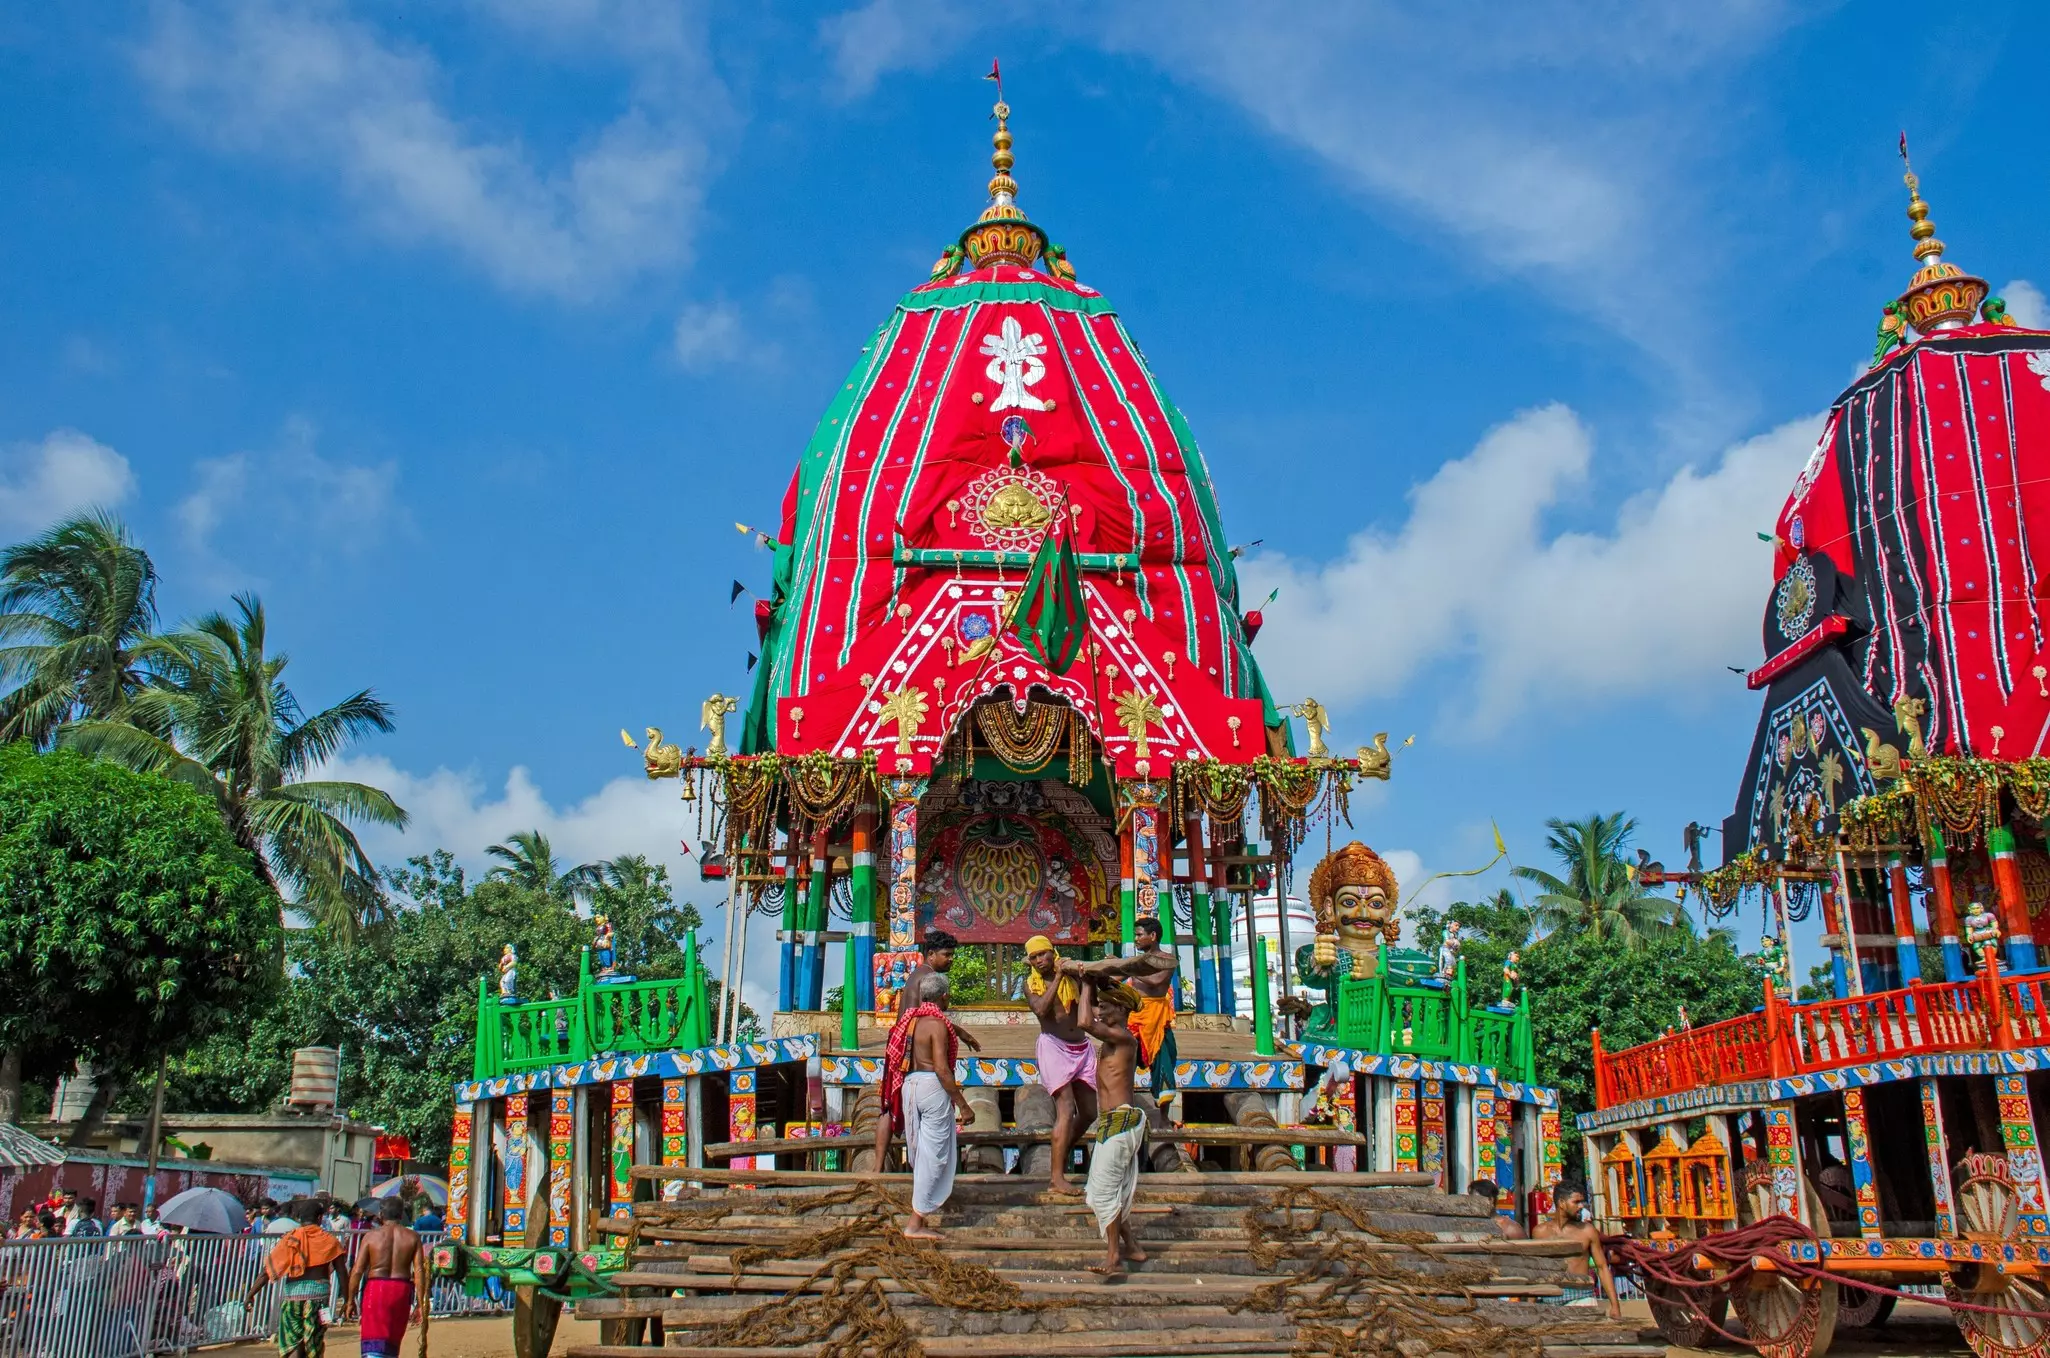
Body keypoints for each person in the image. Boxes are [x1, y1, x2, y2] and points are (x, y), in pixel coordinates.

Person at [870, 930, 980, 1172]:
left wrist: (960, 1032)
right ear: (931, 954)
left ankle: (878, 1169)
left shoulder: (918, 974)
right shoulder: (929, 977)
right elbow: (928, 1018)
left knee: (890, 1103)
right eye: (947, 954)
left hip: (899, 1041)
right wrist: (960, 1033)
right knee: (894, 1105)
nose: (951, 959)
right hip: (907, 1046)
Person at [889, 972, 973, 1239]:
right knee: (935, 1156)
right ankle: (915, 1223)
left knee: (920, 1151)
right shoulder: (937, 1025)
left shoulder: (911, 1020)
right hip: (931, 1087)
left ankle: (920, 1218)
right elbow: (941, 1069)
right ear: (944, 997)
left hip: (909, 1086)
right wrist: (963, 1105)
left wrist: (964, 1034)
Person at [1076, 975, 1148, 1279]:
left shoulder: (1123, 1038)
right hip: (1113, 1122)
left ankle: (1113, 1257)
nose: (1099, 1012)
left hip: (1119, 1121)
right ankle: (1131, 1245)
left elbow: (1084, 1023)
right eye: (1099, 1006)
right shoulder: (1115, 1037)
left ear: (1120, 1011)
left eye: (1105, 1007)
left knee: (1101, 1194)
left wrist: (1087, 981)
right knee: (1109, 1190)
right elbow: (1088, 1018)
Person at [1024, 935, 1096, 1196]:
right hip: (1054, 1047)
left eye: (1043, 954)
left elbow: (1091, 1001)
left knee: (1089, 1112)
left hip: (1082, 1047)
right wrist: (1057, 977)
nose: (1039, 960)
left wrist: (1082, 977)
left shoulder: (1071, 977)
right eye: (1034, 957)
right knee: (1065, 1109)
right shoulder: (1030, 984)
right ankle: (1057, 1178)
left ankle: (1061, 1148)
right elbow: (1042, 1010)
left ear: (1053, 953)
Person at [244, 1197, 346, 1357]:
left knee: (293, 1343)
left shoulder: (290, 1239)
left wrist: (250, 1295)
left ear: (299, 1218)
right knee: (315, 1342)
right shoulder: (330, 1241)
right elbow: (342, 1273)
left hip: (293, 1299)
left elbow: (267, 1271)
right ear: (320, 1218)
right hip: (320, 1301)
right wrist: (347, 1300)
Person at [346, 1198, 430, 1358]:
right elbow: (419, 1271)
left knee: (372, 1339)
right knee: (393, 1340)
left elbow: (357, 1270)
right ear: (401, 1215)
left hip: (376, 1289)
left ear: (381, 1214)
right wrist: (420, 1303)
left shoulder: (371, 1236)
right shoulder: (412, 1237)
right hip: (401, 1290)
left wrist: (350, 1300)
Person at [1531, 1181, 1620, 1319]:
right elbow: (1536, 1271)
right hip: (1548, 1298)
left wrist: (1615, 1306)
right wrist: (1531, 1306)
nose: (1581, 1206)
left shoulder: (1587, 1231)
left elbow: (1602, 1268)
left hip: (1581, 1298)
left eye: (1582, 1202)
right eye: (1576, 1202)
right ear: (1561, 1203)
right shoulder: (1540, 1232)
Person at [1125, 918, 1179, 1112]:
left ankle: (1164, 1118)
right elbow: (1115, 977)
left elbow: (1156, 981)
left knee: (1162, 1065)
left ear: (1153, 936)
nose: (1136, 939)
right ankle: (1125, 1109)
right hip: (1134, 1017)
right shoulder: (1135, 962)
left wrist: (1129, 968)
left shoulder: (1168, 959)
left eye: (1139, 935)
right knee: (1124, 1062)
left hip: (1156, 1018)